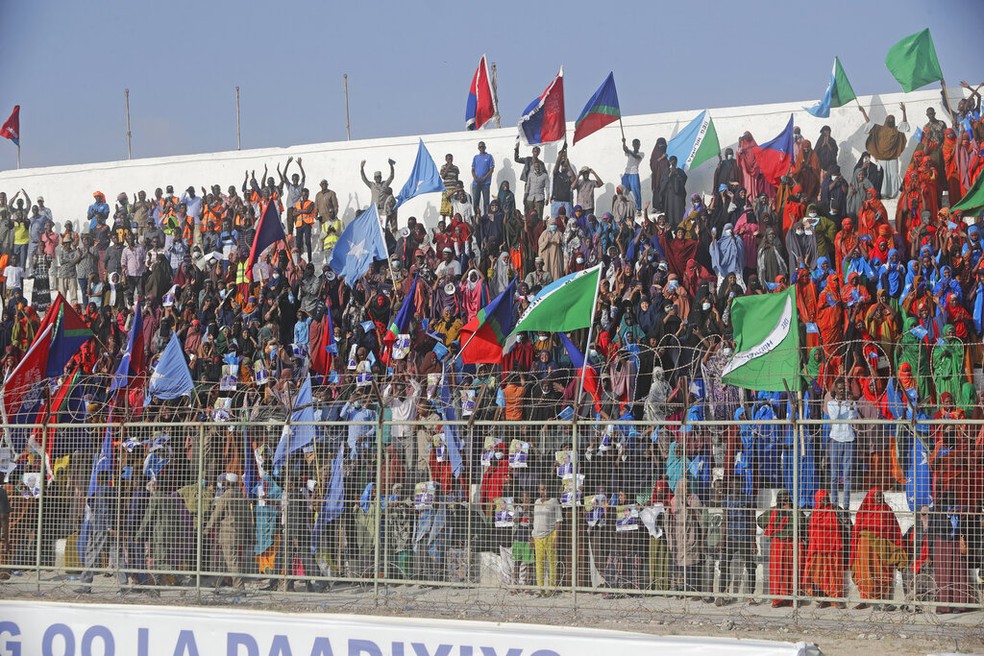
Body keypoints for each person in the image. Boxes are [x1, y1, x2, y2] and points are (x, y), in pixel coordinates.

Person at [851, 488, 906, 609]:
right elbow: (857, 529)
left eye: (881, 495)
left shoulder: (886, 510)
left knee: (882, 572)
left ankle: (884, 600)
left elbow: (894, 529)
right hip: (865, 549)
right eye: (877, 496)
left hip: (882, 549)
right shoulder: (863, 510)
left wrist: (897, 545)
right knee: (865, 573)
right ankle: (865, 599)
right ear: (871, 497)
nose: (880, 498)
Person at [805, 490, 846, 607]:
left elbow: (847, 525)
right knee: (818, 575)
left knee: (834, 575)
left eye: (827, 497)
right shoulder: (814, 513)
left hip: (833, 549)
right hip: (817, 550)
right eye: (822, 498)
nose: (826, 500)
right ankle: (822, 599)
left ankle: (836, 598)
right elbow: (807, 530)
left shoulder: (836, 510)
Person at [859, 102, 909, 198]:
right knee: (883, 175)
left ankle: (896, 193)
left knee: (894, 174)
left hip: (893, 156)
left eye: (892, 119)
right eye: (889, 119)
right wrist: (863, 112)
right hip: (881, 156)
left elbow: (904, 126)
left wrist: (904, 112)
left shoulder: (896, 130)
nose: (890, 120)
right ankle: (883, 193)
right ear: (886, 120)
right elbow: (869, 123)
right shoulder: (879, 129)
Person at [826, 378, 856, 509]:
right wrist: (839, 404)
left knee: (847, 475)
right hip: (836, 439)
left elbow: (851, 419)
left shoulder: (851, 403)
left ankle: (846, 505)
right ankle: (834, 503)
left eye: (843, 388)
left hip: (848, 439)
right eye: (839, 389)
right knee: (834, 475)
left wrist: (849, 406)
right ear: (835, 390)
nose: (841, 391)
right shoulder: (831, 403)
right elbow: (834, 418)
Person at [531, 482, 562, 594]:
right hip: (537, 536)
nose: (544, 492)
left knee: (551, 562)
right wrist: (532, 535)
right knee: (539, 562)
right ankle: (540, 588)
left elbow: (558, 521)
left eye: (546, 489)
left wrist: (556, 538)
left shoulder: (554, 501)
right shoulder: (537, 502)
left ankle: (552, 587)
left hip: (550, 534)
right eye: (542, 489)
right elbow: (535, 520)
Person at [471, 142, 495, 216]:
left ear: (485, 147)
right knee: (475, 201)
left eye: (483, 147)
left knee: (486, 201)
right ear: (478, 148)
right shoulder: (476, 157)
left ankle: (486, 216)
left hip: (486, 182)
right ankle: (477, 217)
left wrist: (484, 178)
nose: (481, 148)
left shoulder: (489, 156)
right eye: (480, 147)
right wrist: (475, 178)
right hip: (476, 182)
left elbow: (491, 169)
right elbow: (472, 169)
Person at [621, 137, 644, 212]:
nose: (636, 145)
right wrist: (624, 142)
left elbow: (636, 157)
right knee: (624, 191)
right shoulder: (629, 153)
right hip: (627, 173)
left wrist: (629, 151)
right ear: (633, 145)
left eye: (637, 144)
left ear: (639, 145)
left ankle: (638, 209)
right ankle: (624, 207)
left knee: (636, 191)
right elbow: (625, 149)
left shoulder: (641, 153)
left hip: (634, 174)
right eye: (635, 144)